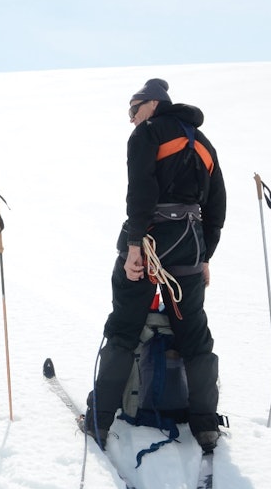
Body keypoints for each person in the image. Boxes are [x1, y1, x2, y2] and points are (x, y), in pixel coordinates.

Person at [88, 79, 227, 452]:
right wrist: (204, 255)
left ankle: (99, 419)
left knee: (124, 325)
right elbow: (217, 206)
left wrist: (135, 245)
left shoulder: (148, 134)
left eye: (134, 109)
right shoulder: (204, 143)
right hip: (190, 244)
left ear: (153, 104)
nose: (132, 119)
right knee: (194, 334)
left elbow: (141, 192)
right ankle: (205, 425)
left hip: (151, 240)